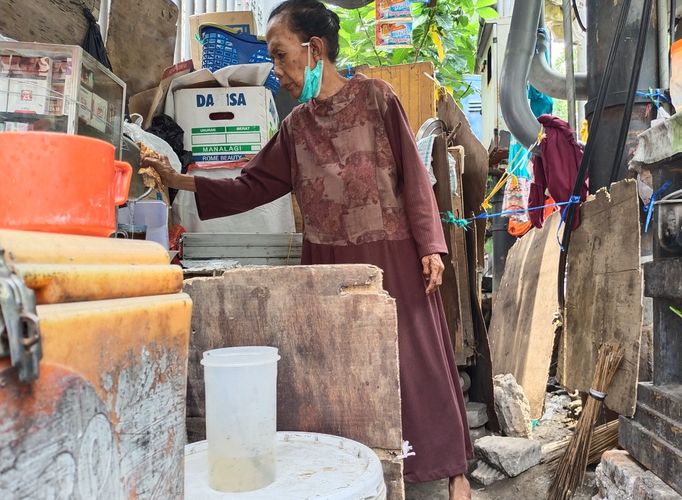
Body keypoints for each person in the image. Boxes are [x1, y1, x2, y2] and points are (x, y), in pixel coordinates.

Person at [145, 1, 472, 497]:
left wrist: (431, 245)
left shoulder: (379, 98)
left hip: (395, 260)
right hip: (328, 268)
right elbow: (249, 186)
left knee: (416, 362)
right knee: (344, 374)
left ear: (314, 49)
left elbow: (414, 179)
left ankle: (452, 471)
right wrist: (178, 180)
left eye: (280, 57)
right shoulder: (296, 127)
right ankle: (358, 470)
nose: (276, 73)